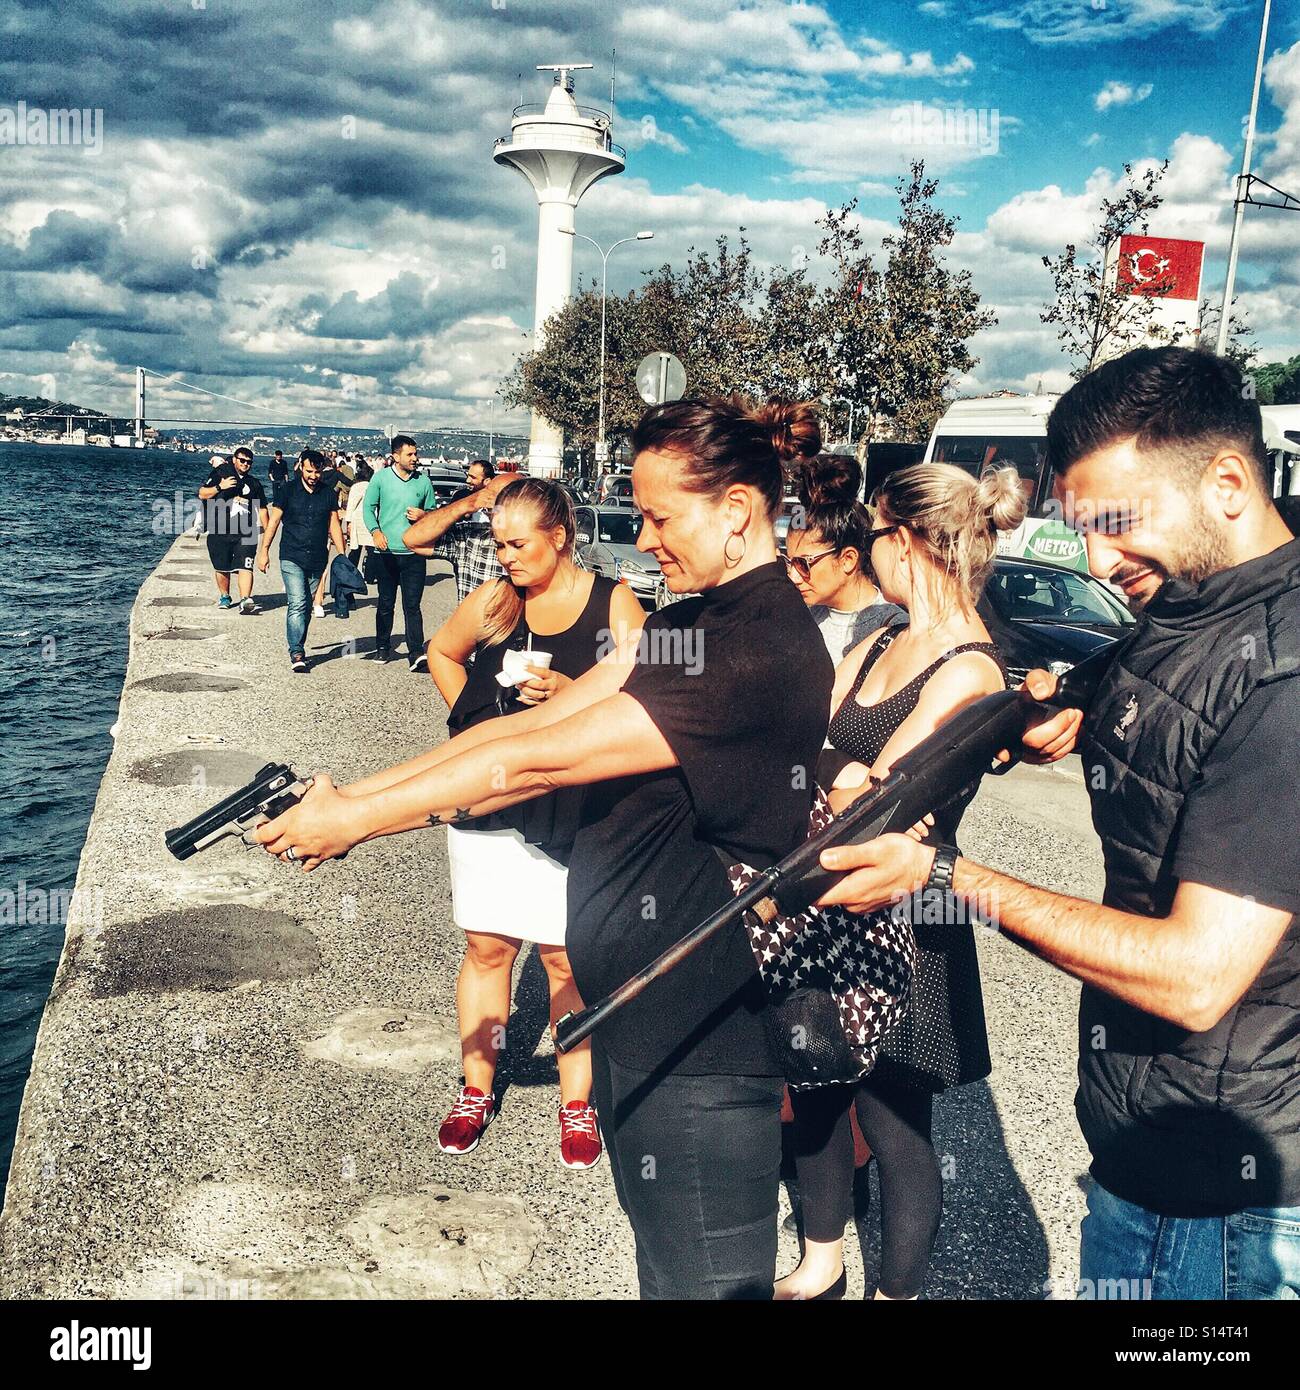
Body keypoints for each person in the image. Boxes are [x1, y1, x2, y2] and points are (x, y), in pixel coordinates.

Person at [253, 394, 834, 1299]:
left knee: (705, 1287)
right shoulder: (691, 622)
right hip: (640, 1023)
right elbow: (513, 728)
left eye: (657, 515)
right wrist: (351, 792)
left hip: (702, 1045)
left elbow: (530, 766)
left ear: (736, 512)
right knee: (666, 1274)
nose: (642, 540)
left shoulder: (754, 649)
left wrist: (360, 825)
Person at [822, 346, 1300, 1300]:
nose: (1096, 562)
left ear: (1230, 482)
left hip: (1225, 1200)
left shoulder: (1285, 678)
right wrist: (1068, 711)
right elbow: (1145, 697)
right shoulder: (1186, 611)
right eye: (1081, 530)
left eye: (1117, 526)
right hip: (1137, 1145)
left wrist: (945, 877)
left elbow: (1198, 977)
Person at [774, 461, 1025, 1302]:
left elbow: (874, 792)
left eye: (875, 533)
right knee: (813, 1084)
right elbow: (818, 746)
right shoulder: (883, 635)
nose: (865, 548)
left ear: (908, 541)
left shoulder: (971, 670)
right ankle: (821, 1260)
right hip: (831, 902)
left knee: (891, 1116)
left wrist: (839, 770)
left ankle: (897, 1292)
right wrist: (840, 770)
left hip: (910, 913)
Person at [427, 477, 645, 1168]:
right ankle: (475, 1090)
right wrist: (477, 727)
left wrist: (571, 696)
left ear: (562, 535)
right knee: (488, 950)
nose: (505, 558)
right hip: (488, 804)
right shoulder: (494, 600)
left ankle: (576, 1102)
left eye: (518, 544)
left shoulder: (614, 604)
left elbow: (646, 694)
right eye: (497, 543)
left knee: (563, 959)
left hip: (573, 808)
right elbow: (442, 653)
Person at [785, 453, 908, 661]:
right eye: (789, 562)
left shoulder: (895, 629)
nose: (793, 576)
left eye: (803, 564)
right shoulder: (801, 615)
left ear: (848, 559)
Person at [257, 448, 345, 673]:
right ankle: (297, 651)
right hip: (291, 555)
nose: (313, 476)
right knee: (297, 602)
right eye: (309, 471)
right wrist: (264, 550)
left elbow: (334, 525)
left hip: (317, 558)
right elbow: (274, 521)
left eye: (317, 472)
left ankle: (299, 644)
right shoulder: (287, 490)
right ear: (300, 467)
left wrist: (343, 557)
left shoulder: (328, 493)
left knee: (306, 606)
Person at [364, 435, 436, 670]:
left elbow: (434, 515)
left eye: (416, 454)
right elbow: (368, 507)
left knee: (412, 606)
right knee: (385, 603)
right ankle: (383, 646)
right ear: (395, 456)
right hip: (387, 553)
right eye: (410, 454)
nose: (415, 458)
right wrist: (375, 531)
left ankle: (415, 653)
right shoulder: (381, 478)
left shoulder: (423, 481)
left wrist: (424, 516)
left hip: (414, 554)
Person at [406, 458, 507, 604]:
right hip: (463, 555)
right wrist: (463, 506)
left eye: (473, 477)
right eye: (468, 475)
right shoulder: (463, 502)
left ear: (487, 481)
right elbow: (417, 538)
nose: (468, 480)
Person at [197, 446, 269, 615]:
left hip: (246, 532)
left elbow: (263, 509)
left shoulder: (254, 483)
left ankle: (245, 599)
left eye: (249, 462)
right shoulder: (220, 475)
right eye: (242, 460)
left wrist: (267, 534)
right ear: (234, 460)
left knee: (246, 566)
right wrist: (220, 487)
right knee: (222, 567)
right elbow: (202, 493)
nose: (246, 464)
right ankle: (225, 596)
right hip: (219, 529)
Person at [344, 461, 375, 569]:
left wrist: (348, 522)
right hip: (371, 518)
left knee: (355, 549)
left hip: (357, 519)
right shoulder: (372, 486)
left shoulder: (356, 487)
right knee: (371, 549)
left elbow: (351, 506)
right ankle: (370, 575)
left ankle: (351, 571)